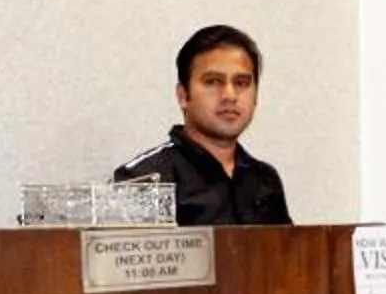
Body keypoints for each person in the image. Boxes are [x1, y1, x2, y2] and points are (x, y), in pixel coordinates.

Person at [115, 24, 292, 226]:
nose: (230, 96)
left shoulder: (264, 180)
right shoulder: (144, 180)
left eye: (241, 83)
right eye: (213, 82)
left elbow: (288, 255)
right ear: (183, 96)